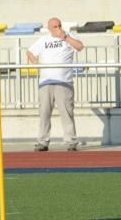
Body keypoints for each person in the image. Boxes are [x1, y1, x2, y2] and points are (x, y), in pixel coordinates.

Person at [27, 18, 83, 152]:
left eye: (59, 25)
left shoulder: (68, 37)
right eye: (54, 26)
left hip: (64, 81)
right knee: (44, 113)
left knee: (66, 113)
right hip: (46, 82)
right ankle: (42, 141)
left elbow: (80, 46)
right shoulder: (43, 40)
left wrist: (65, 37)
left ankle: (71, 142)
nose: (57, 28)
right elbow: (30, 51)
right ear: (49, 28)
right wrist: (35, 62)